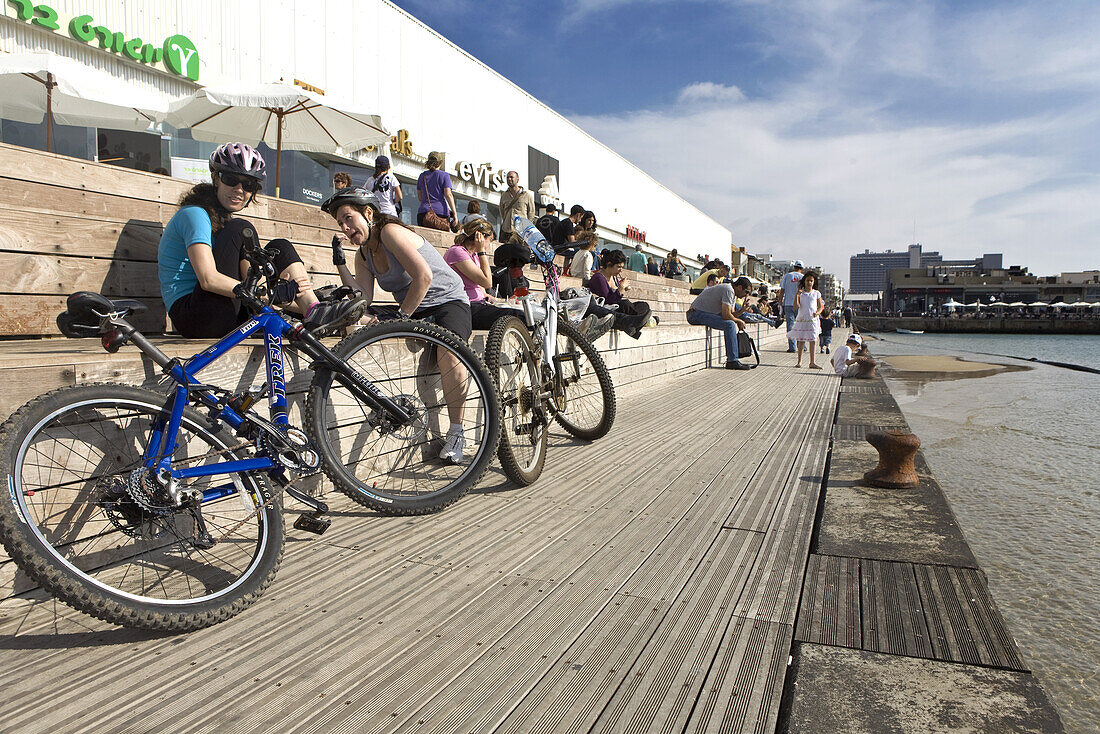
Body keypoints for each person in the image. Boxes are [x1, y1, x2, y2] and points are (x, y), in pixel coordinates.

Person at [322, 186, 472, 463]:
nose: (345, 227)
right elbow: (363, 299)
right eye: (340, 223)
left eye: (348, 218)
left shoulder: (389, 232)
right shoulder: (363, 254)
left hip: (447, 301)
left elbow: (424, 277)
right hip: (415, 309)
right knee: (354, 316)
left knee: (449, 351)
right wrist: (339, 261)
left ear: (368, 213)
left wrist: (401, 318)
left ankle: (457, 432)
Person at [158, 142, 364, 339]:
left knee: (279, 247)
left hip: (223, 309)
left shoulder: (220, 221)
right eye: (231, 179)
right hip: (193, 317)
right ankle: (312, 309)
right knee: (242, 229)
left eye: (248, 184)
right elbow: (208, 279)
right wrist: (263, 293)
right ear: (215, 178)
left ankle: (314, 311)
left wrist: (301, 300)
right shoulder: (195, 214)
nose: (239, 189)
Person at [444, 219, 518, 331]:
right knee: (515, 316)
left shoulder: (472, 255)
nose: (488, 245)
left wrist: (506, 301)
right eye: (489, 240)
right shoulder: (457, 252)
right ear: (482, 237)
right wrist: (481, 251)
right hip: (467, 307)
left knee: (522, 313)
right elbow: (487, 283)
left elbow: (483, 293)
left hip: (480, 304)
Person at [685, 275, 752, 370]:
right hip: (695, 314)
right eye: (746, 292)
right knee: (730, 325)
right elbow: (726, 315)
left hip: (702, 313)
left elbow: (731, 314)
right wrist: (738, 321)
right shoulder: (728, 290)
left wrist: (742, 310)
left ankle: (733, 359)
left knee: (730, 323)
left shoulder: (732, 293)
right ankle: (732, 361)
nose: (746, 295)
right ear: (740, 287)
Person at [588, 249, 653, 339]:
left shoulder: (613, 277)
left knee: (643, 305)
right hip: (608, 309)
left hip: (617, 307)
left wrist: (621, 288)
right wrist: (621, 288)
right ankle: (643, 322)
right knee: (625, 304)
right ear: (609, 264)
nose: (620, 270)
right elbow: (609, 300)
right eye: (618, 267)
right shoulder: (599, 278)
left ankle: (638, 323)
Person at [788, 270, 824, 369]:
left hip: (812, 320)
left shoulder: (816, 293)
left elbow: (820, 306)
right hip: (802, 319)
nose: (809, 283)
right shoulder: (801, 293)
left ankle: (812, 362)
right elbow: (795, 306)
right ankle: (799, 361)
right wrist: (797, 295)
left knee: (813, 340)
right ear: (804, 281)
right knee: (801, 340)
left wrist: (817, 313)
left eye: (811, 281)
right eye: (807, 280)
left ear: (814, 282)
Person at [416, 151, 458, 231]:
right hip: (440, 214)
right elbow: (448, 194)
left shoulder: (422, 176)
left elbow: (420, 198)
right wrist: (455, 213)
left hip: (424, 213)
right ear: (440, 162)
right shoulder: (444, 176)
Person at [498, 170, 536, 242]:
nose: (509, 179)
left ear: (517, 179)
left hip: (521, 233)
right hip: (507, 232)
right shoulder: (504, 195)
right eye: (508, 177)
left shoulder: (527, 195)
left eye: (511, 177)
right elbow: (502, 212)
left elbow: (531, 213)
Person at [777, 260, 805, 352]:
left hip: (788, 303)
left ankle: (792, 347)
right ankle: (802, 346)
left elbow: (782, 291)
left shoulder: (787, 276)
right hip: (800, 304)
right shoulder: (803, 277)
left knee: (790, 325)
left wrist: (780, 302)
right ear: (801, 268)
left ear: (794, 267)